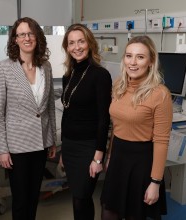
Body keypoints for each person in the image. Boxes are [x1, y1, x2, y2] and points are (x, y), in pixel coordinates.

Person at [100, 35, 173, 220]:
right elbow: (116, 127)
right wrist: (109, 156)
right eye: (128, 56)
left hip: (141, 164)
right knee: (108, 214)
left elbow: (162, 141)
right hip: (118, 159)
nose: (132, 62)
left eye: (140, 57)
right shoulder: (119, 86)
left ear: (151, 61)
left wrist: (155, 182)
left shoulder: (160, 94)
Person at [0, 17, 57, 220]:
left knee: (33, 197)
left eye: (31, 33)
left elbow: (49, 108)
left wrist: (52, 139)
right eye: (22, 34)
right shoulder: (4, 68)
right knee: (20, 200)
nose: (27, 38)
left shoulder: (45, 66)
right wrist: (2, 149)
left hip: (40, 144)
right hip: (17, 146)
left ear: (37, 37)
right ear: (15, 40)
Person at [60, 23, 112, 220]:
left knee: (82, 197)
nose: (77, 47)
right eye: (71, 43)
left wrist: (98, 157)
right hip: (71, 146)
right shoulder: (69, 75)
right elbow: (67, 113)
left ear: (89, 43)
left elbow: (103, 119)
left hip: (89, 147)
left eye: (81, 41)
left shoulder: (100, 75)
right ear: (67, 47)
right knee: (77, 197)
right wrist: (64, 149)